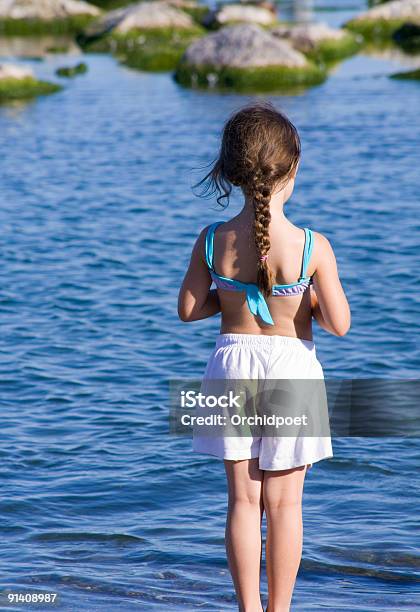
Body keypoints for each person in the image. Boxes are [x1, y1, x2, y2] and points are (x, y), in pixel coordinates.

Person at [178, 102, 351, 612]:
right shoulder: (311, 246)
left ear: (230, 172)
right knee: (284, 503)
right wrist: (303, 301)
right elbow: (339, 324)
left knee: (242, 501)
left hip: (230, 365)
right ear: (292, 168)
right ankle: (280, 609)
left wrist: (230, 297)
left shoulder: (212, 240)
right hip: (291, 368)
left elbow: (189, 310)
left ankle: (247, 609)